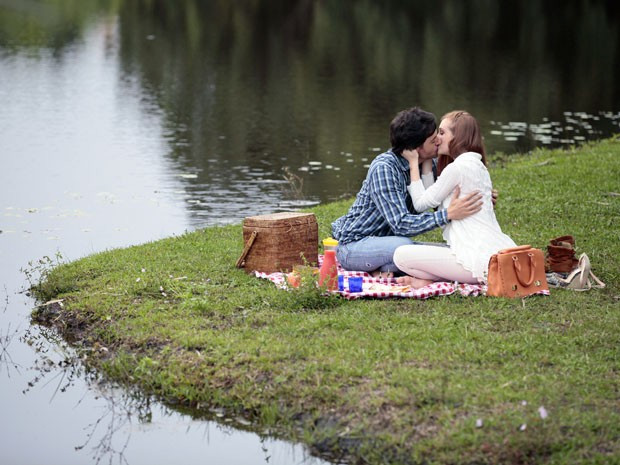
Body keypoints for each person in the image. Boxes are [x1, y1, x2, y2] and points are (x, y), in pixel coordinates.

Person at [330, 107, 483, 276]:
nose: (438, 141)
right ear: (416, 148)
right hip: (356, 245)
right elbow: (401, 224)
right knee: (404, 247)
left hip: (390, 242)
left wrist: (474, 197)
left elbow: (436, 201)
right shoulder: (385, 168)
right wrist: (447, 215)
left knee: (447, 253)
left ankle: (382, 269)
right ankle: (378, 268)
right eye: (433, 140)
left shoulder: (428, 165)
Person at [394, 110, 516, 288]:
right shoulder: (477, 166)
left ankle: (437, 280)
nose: (437, 139)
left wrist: (414, 163)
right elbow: (433, 197)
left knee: (401, 255)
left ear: (458, 136)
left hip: (475, 260)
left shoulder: (456, 168)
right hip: (491, 253)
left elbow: (420, 204)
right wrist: (428, 161)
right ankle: (432, 280)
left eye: (442, 133)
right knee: (417, 255)